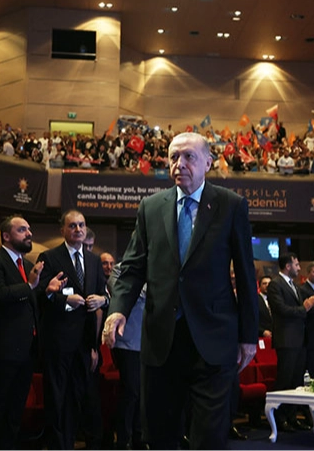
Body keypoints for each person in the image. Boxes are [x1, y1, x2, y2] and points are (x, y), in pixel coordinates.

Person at [103, 132, 258, 451]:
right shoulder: (150, 207)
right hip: (162, 340)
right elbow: (132, 267)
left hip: (214, 339)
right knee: (160, 436)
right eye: (174, 157)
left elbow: (245, 274)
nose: (179, 164)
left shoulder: (231, 205)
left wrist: (248, 336)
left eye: (189, 157)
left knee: (208, 439)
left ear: (208, 163)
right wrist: (117, 309)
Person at [0, 216, 62, 451]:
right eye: (22, 230)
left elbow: (29, 301)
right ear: (6, 236)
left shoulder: (26, 265)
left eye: (29, 229)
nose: (29, 234)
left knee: (15, 411)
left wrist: (46, 290)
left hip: (26, 351)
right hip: (2, 351)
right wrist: (31, 286)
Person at [38, 210, 107, 451]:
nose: (78, 229)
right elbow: (41, 294)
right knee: (56, 399)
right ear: (63, 231)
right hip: (57, 342)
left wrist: (102, 300)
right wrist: (64, 300)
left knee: (76, 398)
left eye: (81, 225)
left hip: (84, 344)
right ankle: (58, 446)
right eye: (72, 226)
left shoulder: (94, 260)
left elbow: (105, 295)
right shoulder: (50, 257)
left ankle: (68, 443)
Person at [267, 253, 314, 432]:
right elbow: (281, 309)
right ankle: (279, 418)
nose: (299, 268)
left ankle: (292, 416)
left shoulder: (294, 285)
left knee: (296, 381)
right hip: (286, 339)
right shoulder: (275, 284)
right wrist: (304, 308)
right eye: (296, 264)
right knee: (285, 380)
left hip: (300, 339)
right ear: (288, 266)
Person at [107, 264, 147, 451]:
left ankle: (139, 437)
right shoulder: (119, 269)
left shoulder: (153, 267)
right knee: (131, 391)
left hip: (147, 341)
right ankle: (123, 439)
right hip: (127, 341)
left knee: (142, 392)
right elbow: (124, 294)